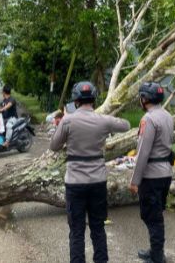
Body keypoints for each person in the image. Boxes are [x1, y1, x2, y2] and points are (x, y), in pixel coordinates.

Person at [50, 81, 131, 263]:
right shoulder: (103, 120)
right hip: (97, 181)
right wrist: (107, 123)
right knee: (98, 228)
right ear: (93, 99)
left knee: (77, 231)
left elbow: (54, 146)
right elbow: (126, 125)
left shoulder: (68, 120)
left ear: (75, 100)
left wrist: (60, 125)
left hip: (75, 182)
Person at [129, 82, 174, 263]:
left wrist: (135, 180)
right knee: (155, 214)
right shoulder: (167, 115)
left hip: (151, 175)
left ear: (145, 99)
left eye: (141, 97)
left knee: (152, 216)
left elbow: (143, 152)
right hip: (165, 173)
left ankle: (157, 257)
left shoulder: (148, 119)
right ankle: (155, 250)